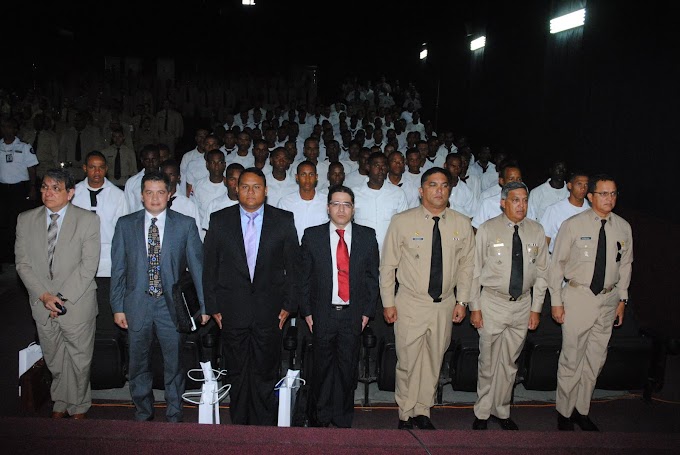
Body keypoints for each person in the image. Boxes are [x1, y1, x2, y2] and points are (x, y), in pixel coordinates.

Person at [203, 167, 300, 425]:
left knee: (265, 371)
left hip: (270, 311)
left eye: (256, 186)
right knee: (237, 371)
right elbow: (209, 267)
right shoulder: (219, 220)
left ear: (266, 191)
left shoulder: (283, 220)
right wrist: (212, 306)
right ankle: (239, 426)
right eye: (244, 186)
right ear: (236, 189)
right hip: (231, 310)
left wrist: (289, 306)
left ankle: (263, 427)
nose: (250, 191)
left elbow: (294, 267)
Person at [380, 167, 475, 430]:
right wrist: (388, 302)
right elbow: (388, 265)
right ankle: (405, 411)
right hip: (411, 302)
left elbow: (467, 266)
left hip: (444, 304)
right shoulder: (402, 221)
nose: (439, 190)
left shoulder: (462, 223)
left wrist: (462, 301)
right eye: (433, 185)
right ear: (421, 190)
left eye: (444, 185)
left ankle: (423, 410)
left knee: (434, 360)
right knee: (408, 361)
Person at [110, 171, 208, 422]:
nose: (155, 198)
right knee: (138, 363)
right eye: (149, 192)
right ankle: (143, 412)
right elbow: (118, 269)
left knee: (173, 363)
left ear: (170, 194)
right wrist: (117, 306)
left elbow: (198, 268)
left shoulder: (185, 224)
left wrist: (205, 306)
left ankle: (174, 413)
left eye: (160, 192)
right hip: (136, 305)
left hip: (171, 307)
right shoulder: (125, 224)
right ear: (141, 195)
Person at [549, 174, 633, 432]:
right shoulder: (573, 225)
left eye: (613, 194)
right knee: (572, 358)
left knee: (595, 359)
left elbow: (626, 265)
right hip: (578, 296)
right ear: (591, 196)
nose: (609, 199)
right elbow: (556, 265)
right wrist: (556, 301)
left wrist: (622, 299)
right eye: (604, 194)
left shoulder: (623, 227)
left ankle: (581, 410)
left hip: (608, 300)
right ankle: (564, 412)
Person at [15, 168, 101, 419]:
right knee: (54, 358)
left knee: (79, 358)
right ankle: (60, 402)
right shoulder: (25, 219)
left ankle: (79, 406)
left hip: (76, 301)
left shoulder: (87, 220)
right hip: (41, 302)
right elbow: (22, 264)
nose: (47, 192)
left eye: (55, 188)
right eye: (44, 187)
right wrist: (44, 296)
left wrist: (61, 297)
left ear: (70, 193)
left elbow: (88, 266)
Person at [469, 182, 548, 431]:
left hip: (522, 304)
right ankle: (482, 412)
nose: (521, 205)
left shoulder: (536, 230)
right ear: (503, 202)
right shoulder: (487, 229)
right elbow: (474, 271)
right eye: (515, 200)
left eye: (524, 200)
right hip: (493, 302)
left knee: (510, 362)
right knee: (489, 360)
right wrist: (475, 307)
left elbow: (543, 272)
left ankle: (501, 410)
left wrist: (536, 308)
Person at [299, 185, 380, 428]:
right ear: (328, 208)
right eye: (336, 204)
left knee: (347, 370)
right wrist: (307, 312)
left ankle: (343, 418)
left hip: (353, 315)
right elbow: (304, 277)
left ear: (353, 209)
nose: (341, 209)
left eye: (346, 204)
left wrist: (366, 312)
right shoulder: (312, 236)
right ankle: (320, 418)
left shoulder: (367, 236)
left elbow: (370, 278)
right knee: (321, 369)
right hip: (322, 314)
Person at [72, 152, 129, 331]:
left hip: (107, 259)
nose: (97, 172)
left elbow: (123, 232)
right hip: (78, 258)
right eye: (92, 167)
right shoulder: (73, 193)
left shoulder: (118, 195)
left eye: (101, 167)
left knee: (104, 306)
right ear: (84, 168)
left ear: (106, 169)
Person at [353, 152, 409, 255]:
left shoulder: (398, 193)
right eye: (377, 165)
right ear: (368, 167)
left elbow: (404, 224)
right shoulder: (354, 193)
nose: (381, 169)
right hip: (362, 252)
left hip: (390, 252)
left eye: (384, 166)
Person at [1, 116, 38, 264]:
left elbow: (32, 169)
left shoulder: (24, 147)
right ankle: (5, 255)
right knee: (3, 221)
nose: (6, 130)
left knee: (18, 222)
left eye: (9, 127)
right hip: (2, 188)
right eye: (3, 127)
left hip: (19, 188)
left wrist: (33, 187)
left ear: (15, 129)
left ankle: (19, 255)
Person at [278, 161, 329, 243]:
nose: (307, 179)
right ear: (297, 177)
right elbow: (280, 231)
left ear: (316, 177)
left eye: (311, 174)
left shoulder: (327, 202)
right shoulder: (285, 202)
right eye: (303, 174)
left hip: (319, 251)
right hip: (293, 251)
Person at [541, 171, 590, 253]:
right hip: (557, 259)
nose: (583, 188)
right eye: (579, 184)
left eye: (586, 185)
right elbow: (545, 240)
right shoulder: (554, 210)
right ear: (570, 186)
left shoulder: (591, 210)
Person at [202, 163, 243, 236]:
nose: (236, 183)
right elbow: (207, 233)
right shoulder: (214, 205)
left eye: (240, 179)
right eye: (232, 179)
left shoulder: (250, 205)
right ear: (225, 181)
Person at [124, 144, 161, 213]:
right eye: (147, 160)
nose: (151, 163)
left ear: (159, 159)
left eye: (154, 159)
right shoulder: (132, 182)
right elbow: (129, 208)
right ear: (142, 160)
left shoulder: (167, 180)